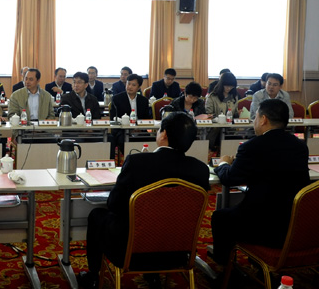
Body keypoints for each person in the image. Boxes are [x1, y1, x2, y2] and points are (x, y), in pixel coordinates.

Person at [77, 112, 210, 289]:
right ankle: (153, 276)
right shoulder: (200, 170)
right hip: (177, 253)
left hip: (130, 251)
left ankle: (93, 277)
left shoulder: (137, 162)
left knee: (97, 215)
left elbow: (114, 204)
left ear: (163, 134)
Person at [210, 99, 310, 265]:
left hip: (261, 226)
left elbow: (230, 179)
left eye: (255, 117)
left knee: (220, 218)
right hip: (294, 224)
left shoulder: (251, 147)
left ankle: (225, 268)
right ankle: (257, 263)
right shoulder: (300, 146)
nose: (254, 121)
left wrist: (223, 164)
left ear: (263, 119)